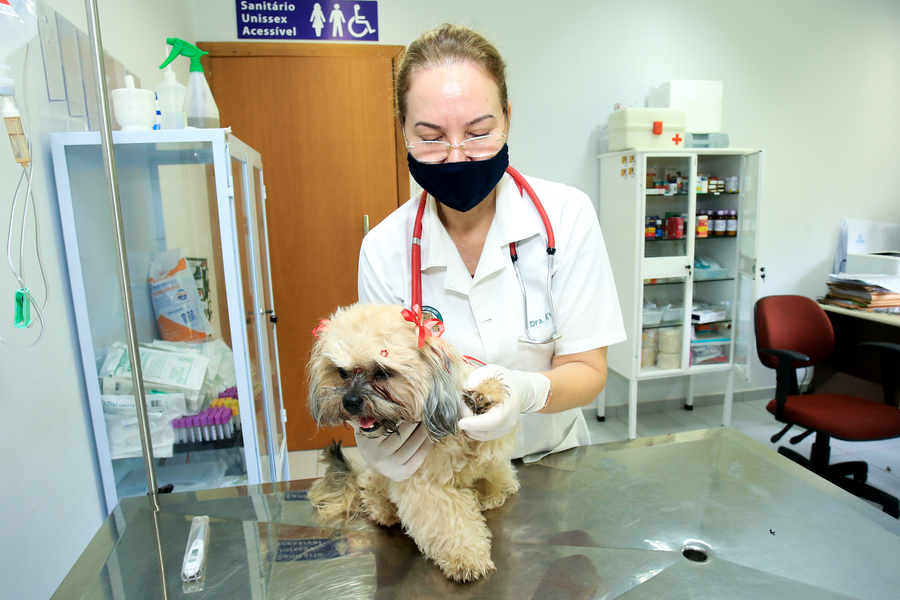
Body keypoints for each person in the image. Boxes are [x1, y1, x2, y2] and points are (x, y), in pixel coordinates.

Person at [355, 24, 625, 481]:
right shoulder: (384, 248)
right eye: (431, 136)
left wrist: (526, 392)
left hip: (552, 461)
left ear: (507, 118)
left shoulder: (566, 215)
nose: (457, 156)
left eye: (479, 131)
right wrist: (376, 430)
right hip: (442, 475)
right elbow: (379, 378)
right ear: (403, 130)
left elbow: (588, 369)